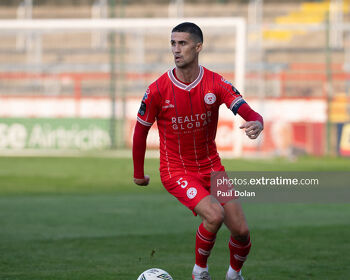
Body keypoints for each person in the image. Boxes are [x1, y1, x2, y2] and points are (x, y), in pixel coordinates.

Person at [132, 22, 263, 280]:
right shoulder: (158, 89)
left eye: (182, 43)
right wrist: (138, 173)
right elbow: (140, 131)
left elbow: (245, 109)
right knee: (214, 215)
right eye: (173, 43)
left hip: (212, 166)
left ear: (198, 46)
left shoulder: (215, 82)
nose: (176, 49)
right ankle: (199, 272)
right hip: (176, 169)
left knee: (242, 231)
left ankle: (234, 275)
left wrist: (257, 120)